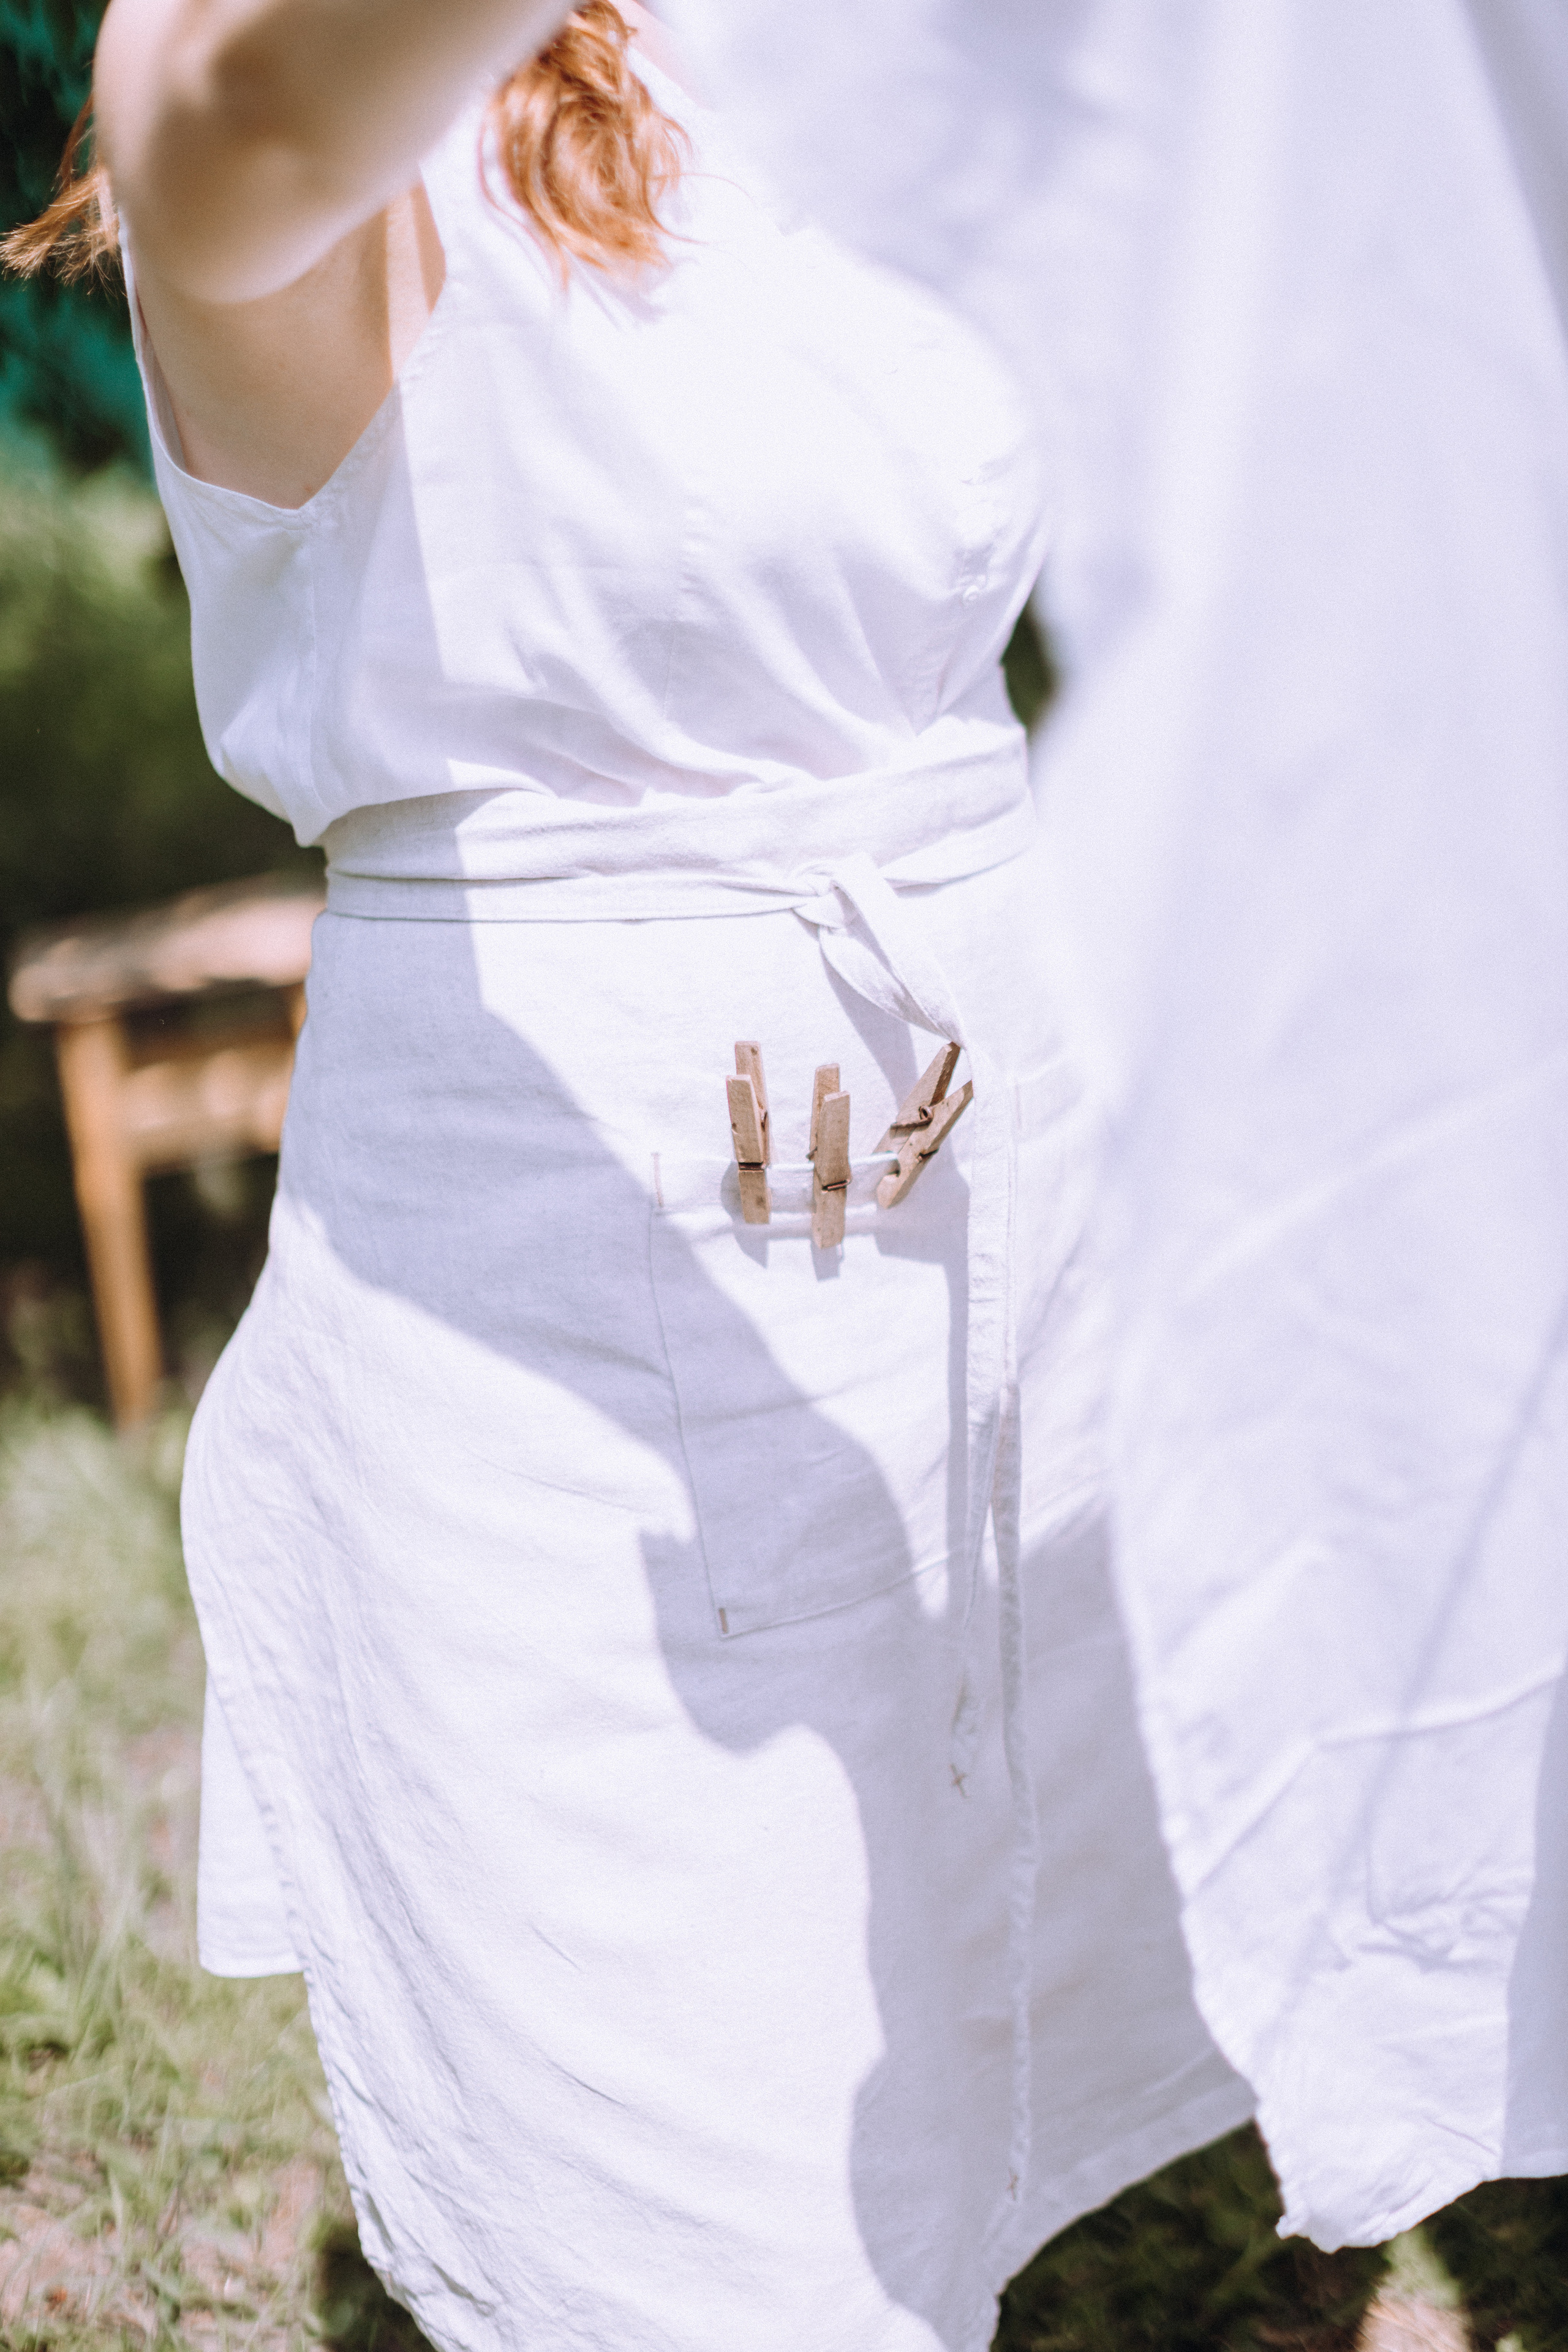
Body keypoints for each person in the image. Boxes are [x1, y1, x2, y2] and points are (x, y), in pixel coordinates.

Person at [6, 4, 1250, 2344]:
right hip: (580, 1306)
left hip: (998, 1203)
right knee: (692, 2218)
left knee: (962, 2048)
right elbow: (235, 128)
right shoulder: (293, 52)